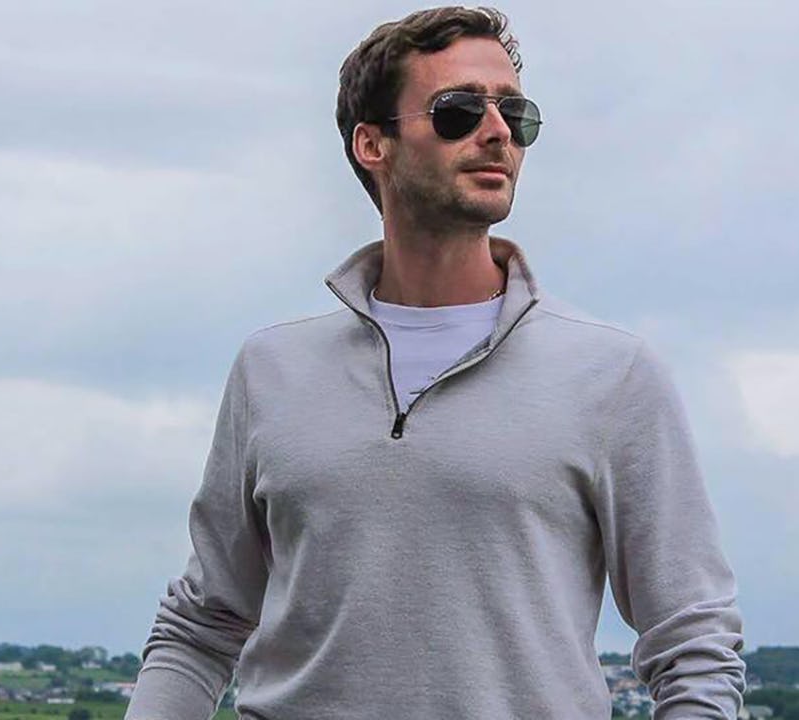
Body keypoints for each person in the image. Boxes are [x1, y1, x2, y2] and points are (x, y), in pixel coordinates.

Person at [124, 6, 746, 720]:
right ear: (372, 144)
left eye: (517, 113)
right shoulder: (271, 371)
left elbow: (694, 642)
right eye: (457, 111)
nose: (498, 133)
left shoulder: (614, 376)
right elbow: (201, 624)